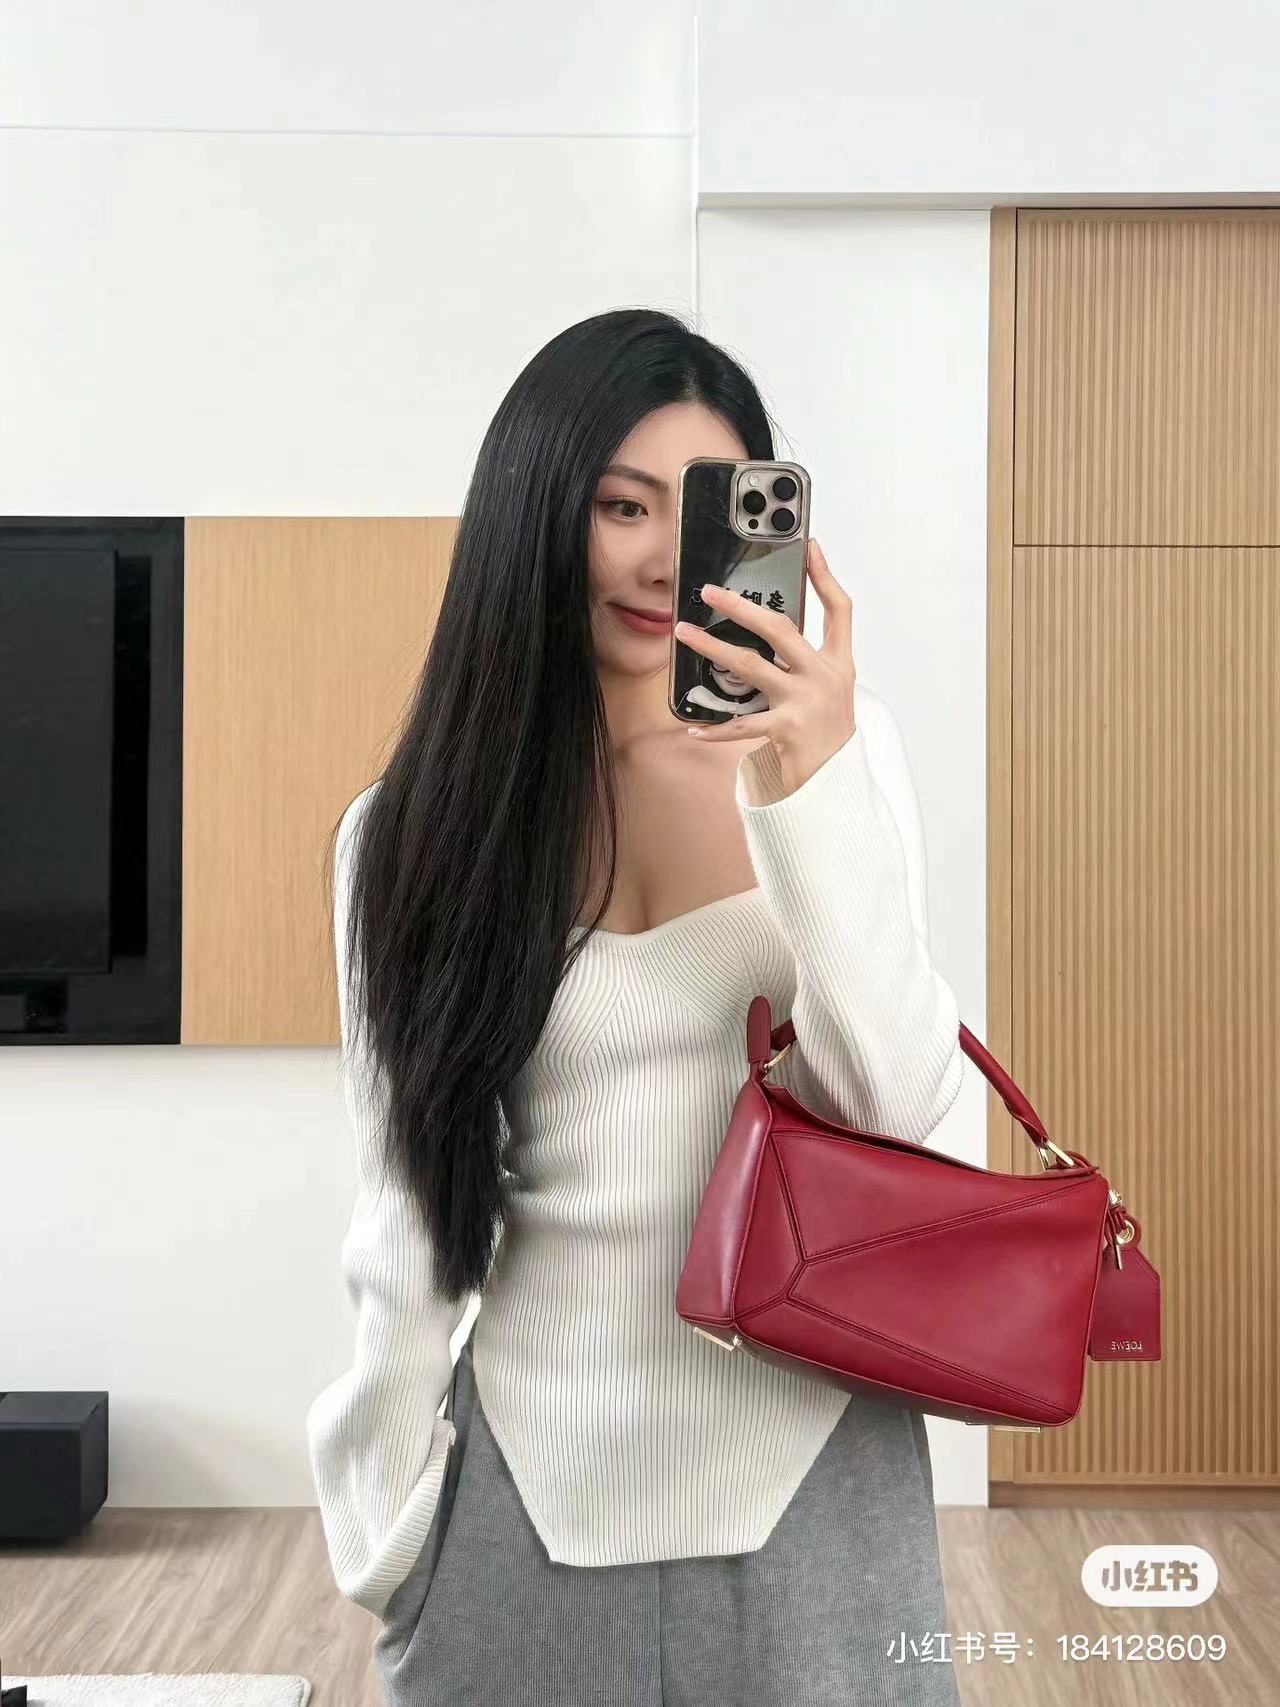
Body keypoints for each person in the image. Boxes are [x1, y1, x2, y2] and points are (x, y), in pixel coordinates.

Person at [306, 307, 965, 1705]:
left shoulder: (844, 761)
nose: (667, 557)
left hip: (821, 1484)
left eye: (706, 507)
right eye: (621, 507)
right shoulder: (411, 831)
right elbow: (407, 1204)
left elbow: (897, 1103)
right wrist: (389, 1529)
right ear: (537, 513)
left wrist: (810, 786)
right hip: (526, 1491)